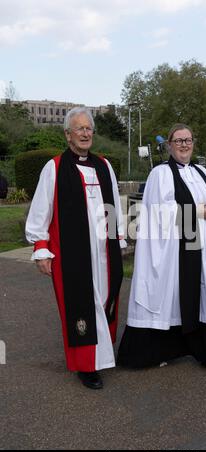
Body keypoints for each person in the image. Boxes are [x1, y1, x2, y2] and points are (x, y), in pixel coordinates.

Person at [117, 123, 206, 374]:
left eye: (188, 140)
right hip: (177, 250)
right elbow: (156, 213)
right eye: (178, 140)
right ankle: (157, 352)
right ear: (169, 145)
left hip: (205, 247)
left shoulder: (203, 172)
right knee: (173, 296)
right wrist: (197, 212)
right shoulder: (160, 174)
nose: (184, 145)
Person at [26, 107, 125, 389]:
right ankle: (86, 366)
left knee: (105, 299)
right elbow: (40, 213)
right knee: (82, 304)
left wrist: (119, 239)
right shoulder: (55, 167)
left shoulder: (105, 166)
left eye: (88, 128)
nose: (84, 133)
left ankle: (102, 356)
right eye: (78, 129)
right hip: (73, 254)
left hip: (104, 252)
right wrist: (41, 249)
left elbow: (114, 207)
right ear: (68, 134)